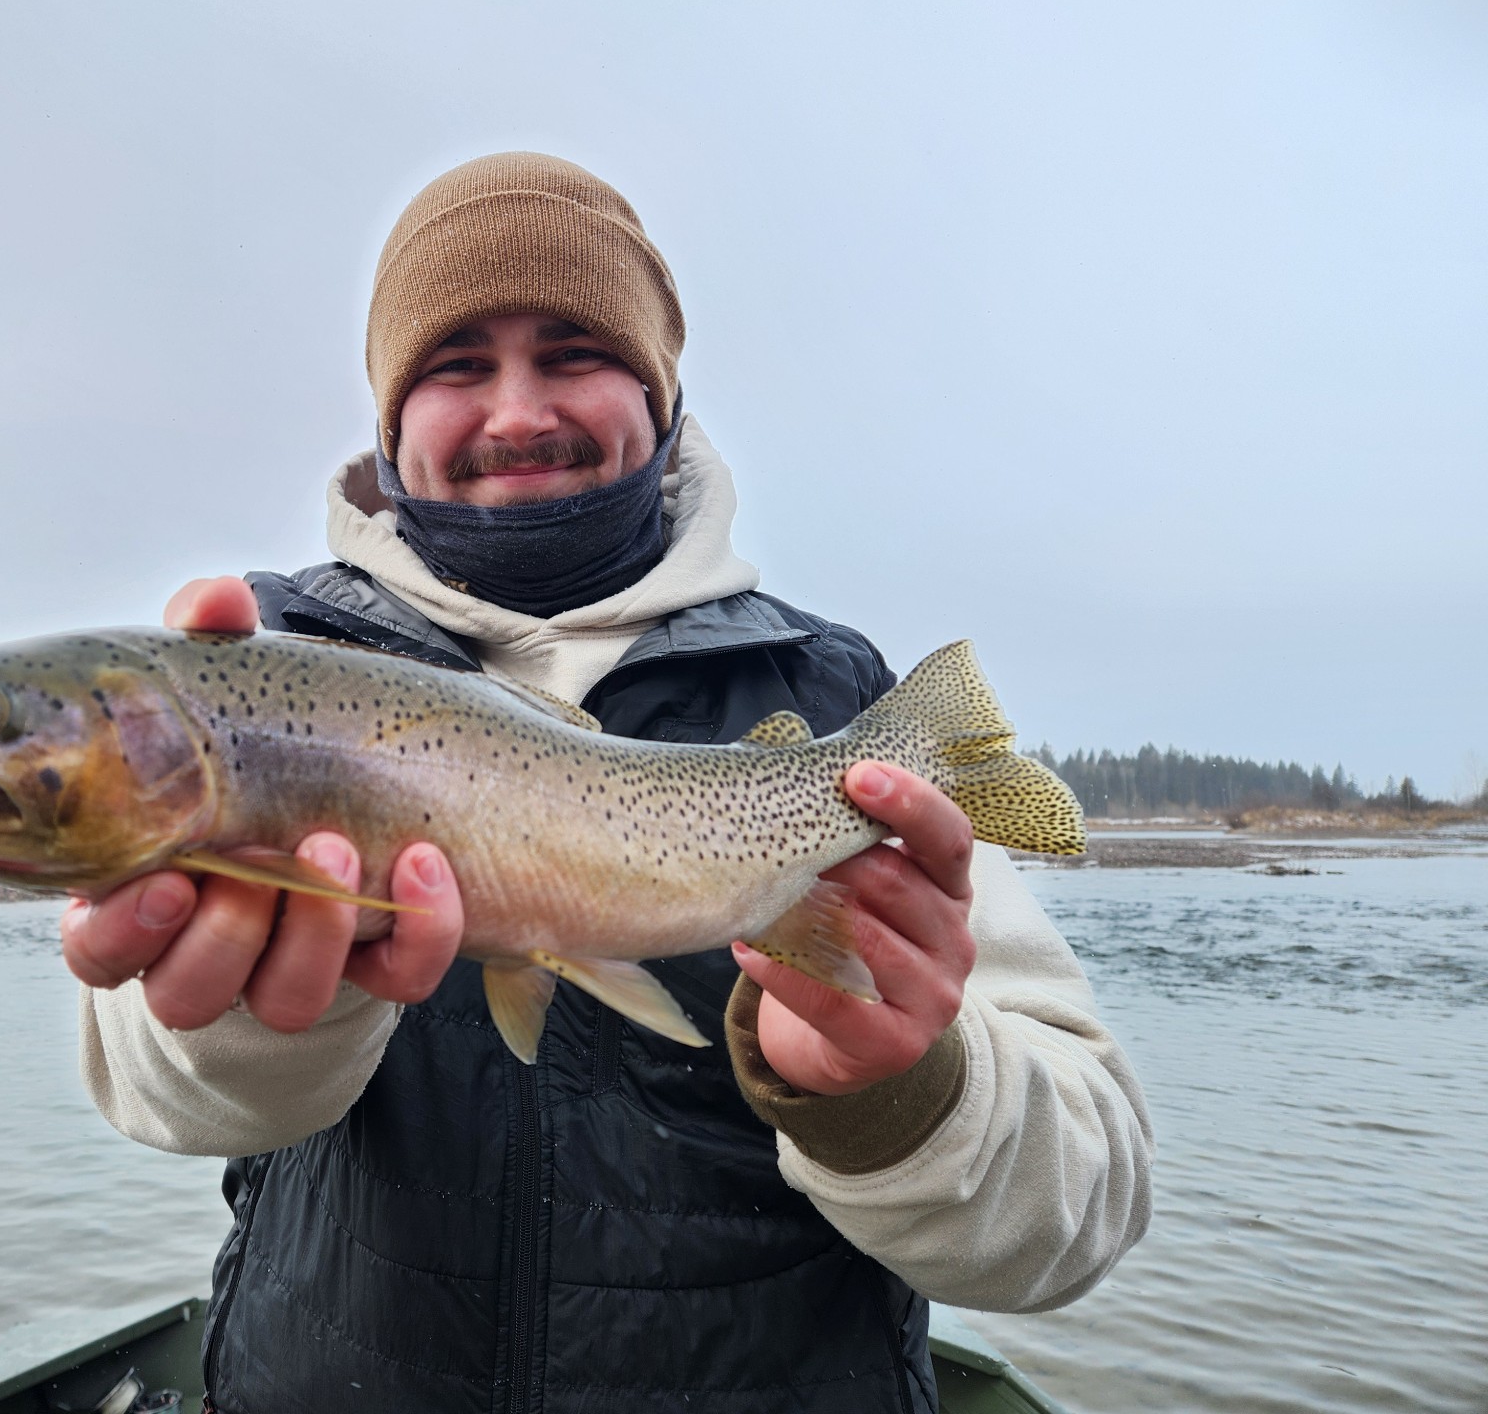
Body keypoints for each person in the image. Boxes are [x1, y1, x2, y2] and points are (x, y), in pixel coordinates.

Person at [63, 153, 1153, 1413]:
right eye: (456, 365)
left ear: (662, 396)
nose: (516, 412)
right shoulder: (269, 678)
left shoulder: (840, 709)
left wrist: (897, 1089)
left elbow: (1083, 1216)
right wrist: (257, 1009)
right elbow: (159, 1100)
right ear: (387, 420)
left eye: (572, 351)